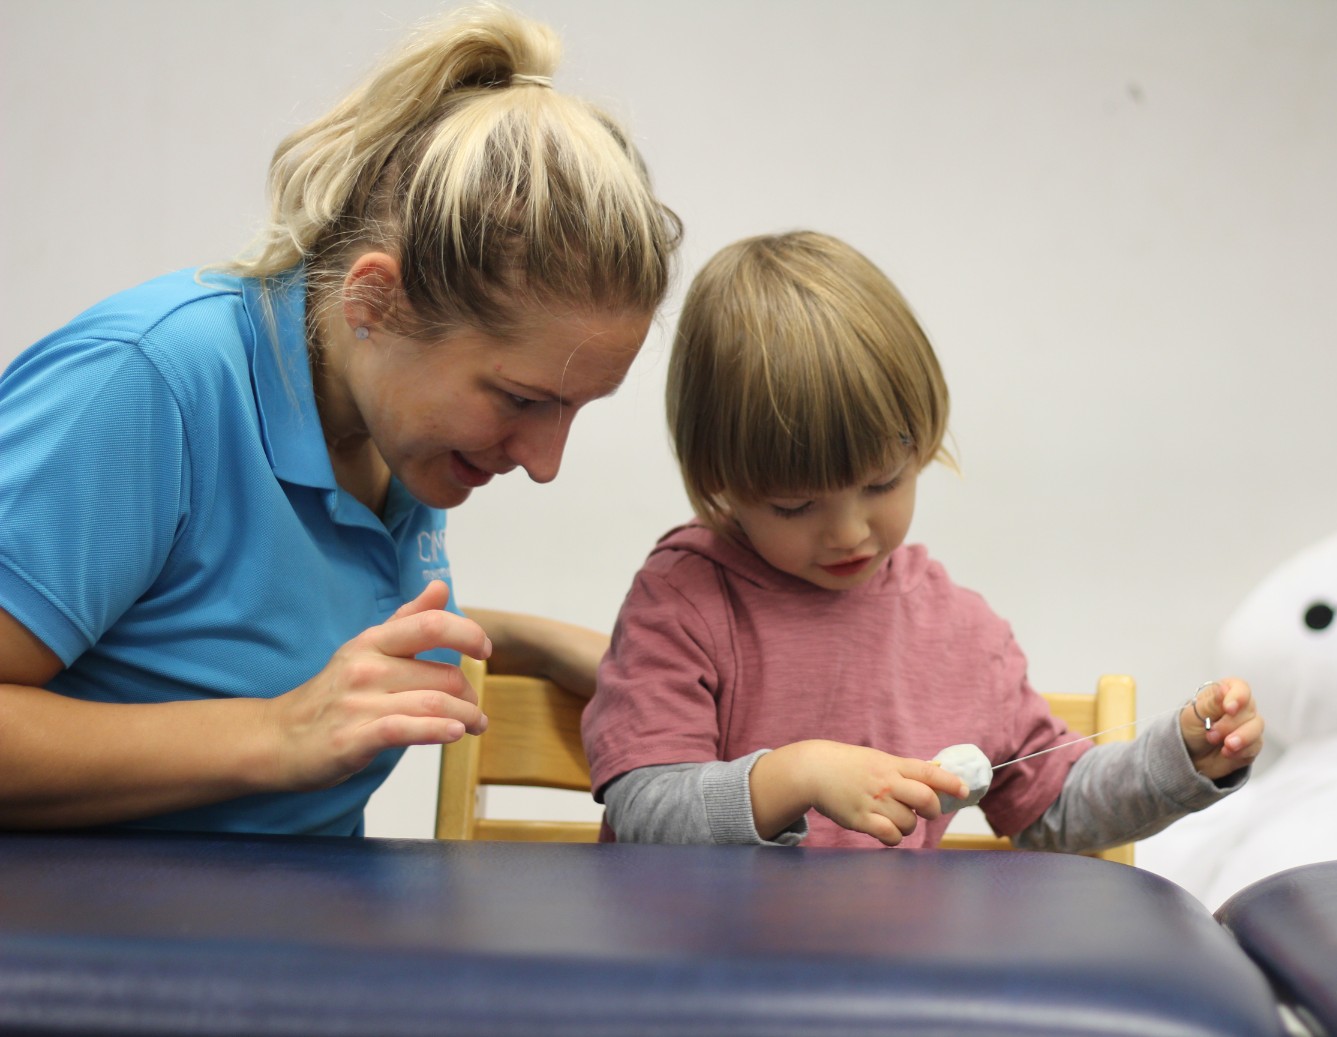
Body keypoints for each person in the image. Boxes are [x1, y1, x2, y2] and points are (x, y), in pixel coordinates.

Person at [0, 5, 680, 836]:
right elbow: (282, 695)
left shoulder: (389, 425)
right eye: (521, 398)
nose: (544, 462)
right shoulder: (148, 382)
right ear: (374, 302)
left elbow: (239, 627)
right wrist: (277, 733)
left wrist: (532, 642)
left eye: (573, 408)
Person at [582, 231, 1261, 849]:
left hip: (882, 974)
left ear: (922, 444)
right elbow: (647, 810)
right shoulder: (686, 600)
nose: (848, 531)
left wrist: (1182, 760)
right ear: (718, 478)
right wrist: (797, 773)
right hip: (697, 972)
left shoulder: (957, 631)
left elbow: (1050, 803)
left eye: (881, 483)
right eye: (794, 503)